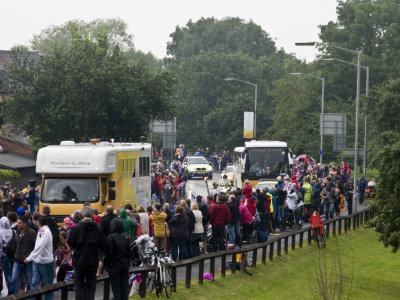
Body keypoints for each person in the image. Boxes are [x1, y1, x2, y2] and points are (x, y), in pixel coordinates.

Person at [68, 206, 105, 300]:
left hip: (79, 260)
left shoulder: (76, 227)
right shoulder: (97, 228)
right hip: (92, 260)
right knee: (91, 287)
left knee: (79, 286)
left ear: (82, 215)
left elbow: (71, 242)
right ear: (92, 215)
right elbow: (102, 244)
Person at [25, 216, 54, 300]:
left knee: (48, 286)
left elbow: (40, 247)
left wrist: (30, 257)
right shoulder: (41, 231)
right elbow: (37, 246)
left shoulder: (45, 232)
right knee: (34, 284)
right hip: (37, 261)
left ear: (40, 223)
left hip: (45, 262)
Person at [104, 218, 130, 300]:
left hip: (114, 266)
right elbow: (129, 253)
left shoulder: (111, 238)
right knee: (124, 290)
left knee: (116, 290)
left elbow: (109, 254)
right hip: (125, 266)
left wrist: (107, 266)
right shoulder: (126, 237)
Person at [10, 215, 36, 295]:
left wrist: (31, 257)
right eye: (18, 222)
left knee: (29, 282)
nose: (18, 224)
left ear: (25, 224)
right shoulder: (17, 232)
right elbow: (15, 243)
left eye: (20, 223)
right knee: (14, 280)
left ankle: (29, 297)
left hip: (27, 261)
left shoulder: (32, 233)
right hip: (17, 260)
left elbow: (36, 247)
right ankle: (15, 296)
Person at [0, 215, 16, 295]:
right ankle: (13, 290)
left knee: (7, 275)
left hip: (4, 256)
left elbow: (0, 246)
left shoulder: (1, 232)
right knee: (13, 274)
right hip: (13, 255)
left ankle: (11, 291)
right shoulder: (13, 231)